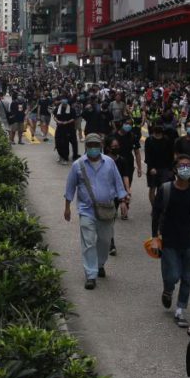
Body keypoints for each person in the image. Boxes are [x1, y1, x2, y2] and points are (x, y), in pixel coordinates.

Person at [150, 154, 190, 328]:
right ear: (175, 169)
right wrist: (155, 237)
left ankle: (180, 310)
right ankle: (168, 290)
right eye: (182, 165)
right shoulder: (166, 189)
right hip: (169, 239)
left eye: (189, 165)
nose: (186, 168)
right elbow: (156, 214)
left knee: (188, 278)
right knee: (173, 275)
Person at [64, 133, 128, 290]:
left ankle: (100, 264)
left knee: (105, 241)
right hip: (86, 210)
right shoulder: (78, 165)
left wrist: (123, 201)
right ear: (86, 146)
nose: (93, 148)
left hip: (107, 209)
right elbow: (70, 187)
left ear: (101, 146)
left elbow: (118, 183)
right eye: (90, 145)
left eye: (96, 145)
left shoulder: (109, 163)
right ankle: (90, 274)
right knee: (89, 242)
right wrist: (67, 207)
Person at [144, 124, 175, 206]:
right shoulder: (149, 140)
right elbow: (148, 156)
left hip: (165, 168)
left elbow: (171, 156)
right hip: (153, 168)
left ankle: (162, 207)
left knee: (164, 190)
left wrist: (171, 169)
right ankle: (155, 208)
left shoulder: (167, 140)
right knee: (152, 188)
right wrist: (151, 168)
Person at [54, 96, 79, 164]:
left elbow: (74, 118)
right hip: (60, 128)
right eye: (62, 103)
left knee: (71, 143)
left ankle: (72, 156)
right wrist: (58, 121)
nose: (64, 104)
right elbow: (55, 117)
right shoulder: (57, 109)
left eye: (65, 103)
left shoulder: (71, 109)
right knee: (59, 143)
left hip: (69, 129)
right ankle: (62, 156)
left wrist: (67, 122)